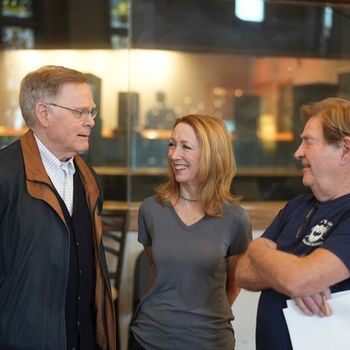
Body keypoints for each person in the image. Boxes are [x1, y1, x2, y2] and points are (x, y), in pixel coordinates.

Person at [0, 65, 116, 350]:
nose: (90, 122)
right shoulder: (4, 177)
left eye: (92, 112)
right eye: (79, 112)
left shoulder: (89, 179)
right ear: (44, 113)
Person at [235, 97, 350, 350]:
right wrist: (287, 274)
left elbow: (299, 279)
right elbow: (242, 273)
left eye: (308, 142)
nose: (298, 152)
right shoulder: (297, 207)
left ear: (344, 149)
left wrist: (260, 251)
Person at [129, 114, 252, 350]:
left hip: (211, 342)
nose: (174, 155)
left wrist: (200, 320)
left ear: (212, 154)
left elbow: (234, 285)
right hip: (148, 339)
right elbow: (162, 271)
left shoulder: (235, 218)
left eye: (186, 147)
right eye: (172, 144)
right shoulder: (151, 209)